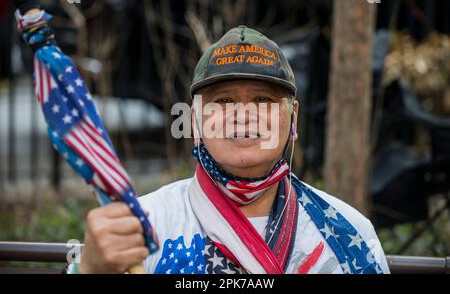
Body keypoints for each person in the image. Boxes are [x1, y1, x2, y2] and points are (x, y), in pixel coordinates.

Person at [74, 26, 390, 274]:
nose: (243, 114)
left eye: (264, 100)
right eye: (224, 101)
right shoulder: (142, 227)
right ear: (195, 122)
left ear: (293, 119)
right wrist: (88, 269)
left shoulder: (347, 232)